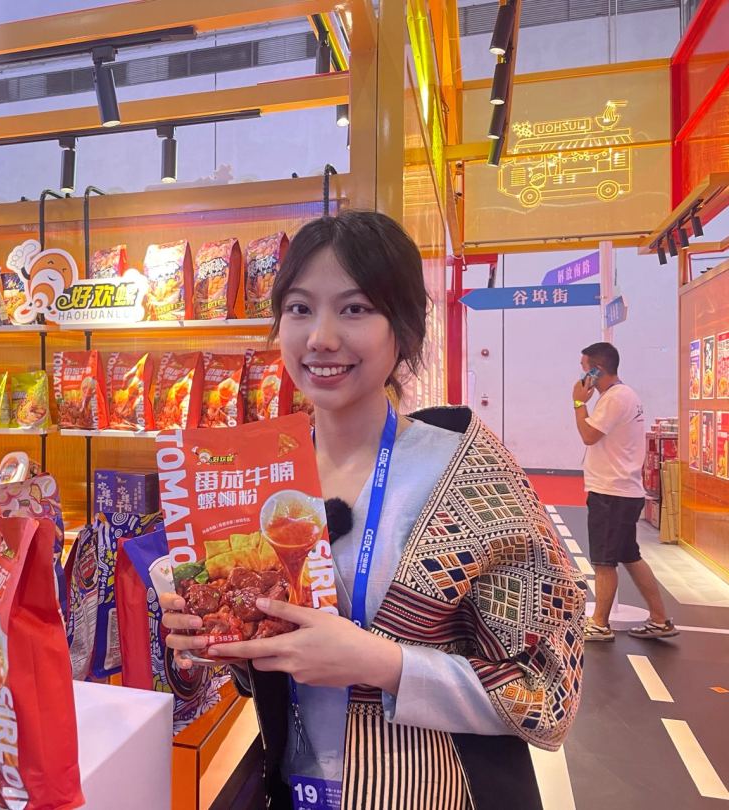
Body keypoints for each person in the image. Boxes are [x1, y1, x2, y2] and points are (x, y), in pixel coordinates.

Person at [161, 211, 586, 810]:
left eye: (355, 308)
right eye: (299, 308)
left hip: (434, 792)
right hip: (289, 786)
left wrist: (385, 664)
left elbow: (548, 692)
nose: (320, 337)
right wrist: (207, 642)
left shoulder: (469, 476)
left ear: (403, 329)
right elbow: (263, 667)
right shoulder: (264, 476)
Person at [572, 342, 677, 642]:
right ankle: (659, 619)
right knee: (630, 555)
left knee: (604, 561)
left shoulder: (615, 399)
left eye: (585, 369)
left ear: (597, 370)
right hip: (623, 490)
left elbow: (589, 435)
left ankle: (599, 624)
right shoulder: (623, 395)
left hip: (612, 492)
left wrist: (578, 403)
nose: (581, 376)